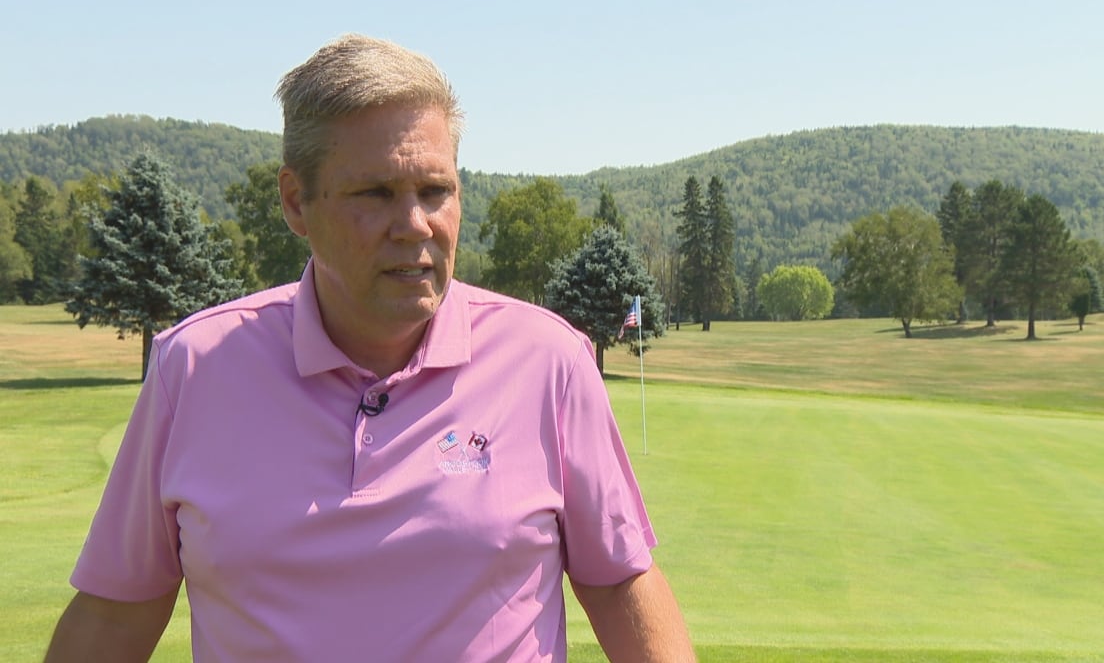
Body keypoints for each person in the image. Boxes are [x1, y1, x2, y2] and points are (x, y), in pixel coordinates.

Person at [44, 33, 694, 662]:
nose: (415, 225)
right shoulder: (195, 367)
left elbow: (619, 582)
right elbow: (115, 611)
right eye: (375, 193)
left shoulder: (549, 361)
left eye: (436, 191)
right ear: (298, 202)